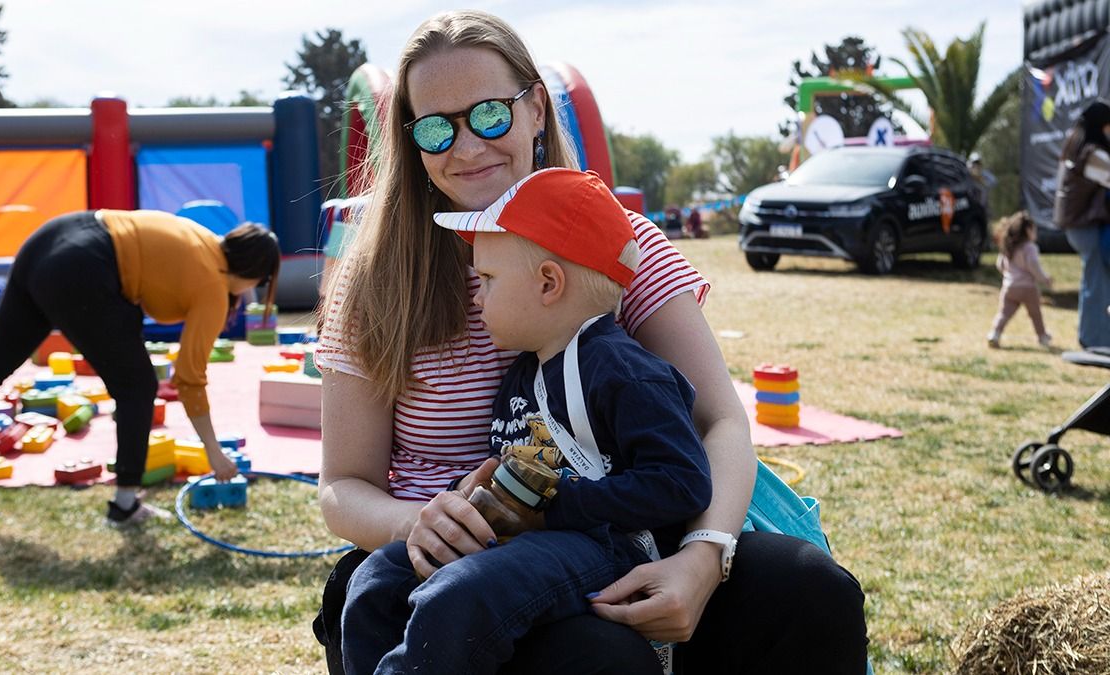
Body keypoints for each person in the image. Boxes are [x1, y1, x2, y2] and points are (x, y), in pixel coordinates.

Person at [312, 10, 868, 674]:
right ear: (411, 140)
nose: (465, 147)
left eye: (490, 114)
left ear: (536, 109)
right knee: (593, 656)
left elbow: (720, 420)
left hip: (621, 531)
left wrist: (703, 555)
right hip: (458, 557)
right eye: (436, 128)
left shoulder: (614, 245)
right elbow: (343, 485)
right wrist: (412, 521)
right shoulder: (376, 281)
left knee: (811, 587)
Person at [341, 168, 714, 674]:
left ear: (547, 283)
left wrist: (557, 507)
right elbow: (512, 461)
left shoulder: (627, 373)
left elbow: (683, 482)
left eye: (488, 280)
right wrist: (468, 495)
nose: (476, 296)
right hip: (529, 542)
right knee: (377, 580)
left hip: (606, 543)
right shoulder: (523, 374)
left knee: (462, 595)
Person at [0, 210, 280, 523]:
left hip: (50, 239)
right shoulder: (213, 286)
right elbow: (189, 378)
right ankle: (125, 504)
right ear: (253, 273)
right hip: (85, 265)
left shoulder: (201, 236)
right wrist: (213, 451)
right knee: (137, 387)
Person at [1054, 98, 1110, 349]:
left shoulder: (1078, 147)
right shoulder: (1092, 153)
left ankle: (1096, 337)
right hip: (1084, 227)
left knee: (1096, 281)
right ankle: (1094, 340)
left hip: (1078, 226)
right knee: (1095, 283)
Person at [988, 212, 1053, 349]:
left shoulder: (1008, 246)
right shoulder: (1029, 248)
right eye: (1034, 230)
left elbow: (1000, 264)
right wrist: (1044, 279)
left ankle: (994, 333)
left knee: (1004, 313)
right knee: (1035, 314)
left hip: (1009, 287)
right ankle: (1042, 337)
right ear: (1028, 230)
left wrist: (1009, 275)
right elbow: (1033, 266)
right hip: (1028, 287)